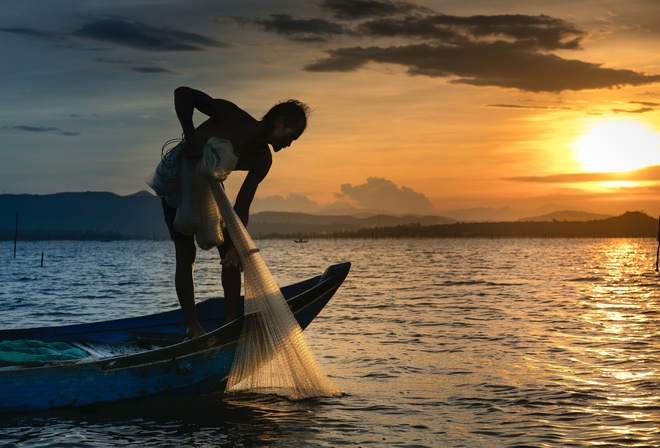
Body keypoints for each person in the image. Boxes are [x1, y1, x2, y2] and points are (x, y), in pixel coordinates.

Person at [164, 86, 309, 339]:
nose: (289, 143)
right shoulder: (232, 117)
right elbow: (182, 93)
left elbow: (242, 205)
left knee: (232, 249)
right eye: (291, 135)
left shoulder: (262, 160)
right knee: (185, 252)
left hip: (209, 190)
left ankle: (230, 321)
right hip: (179, 181)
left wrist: (237, 247)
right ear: (279, 121)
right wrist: (191, 136)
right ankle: (192, 328)